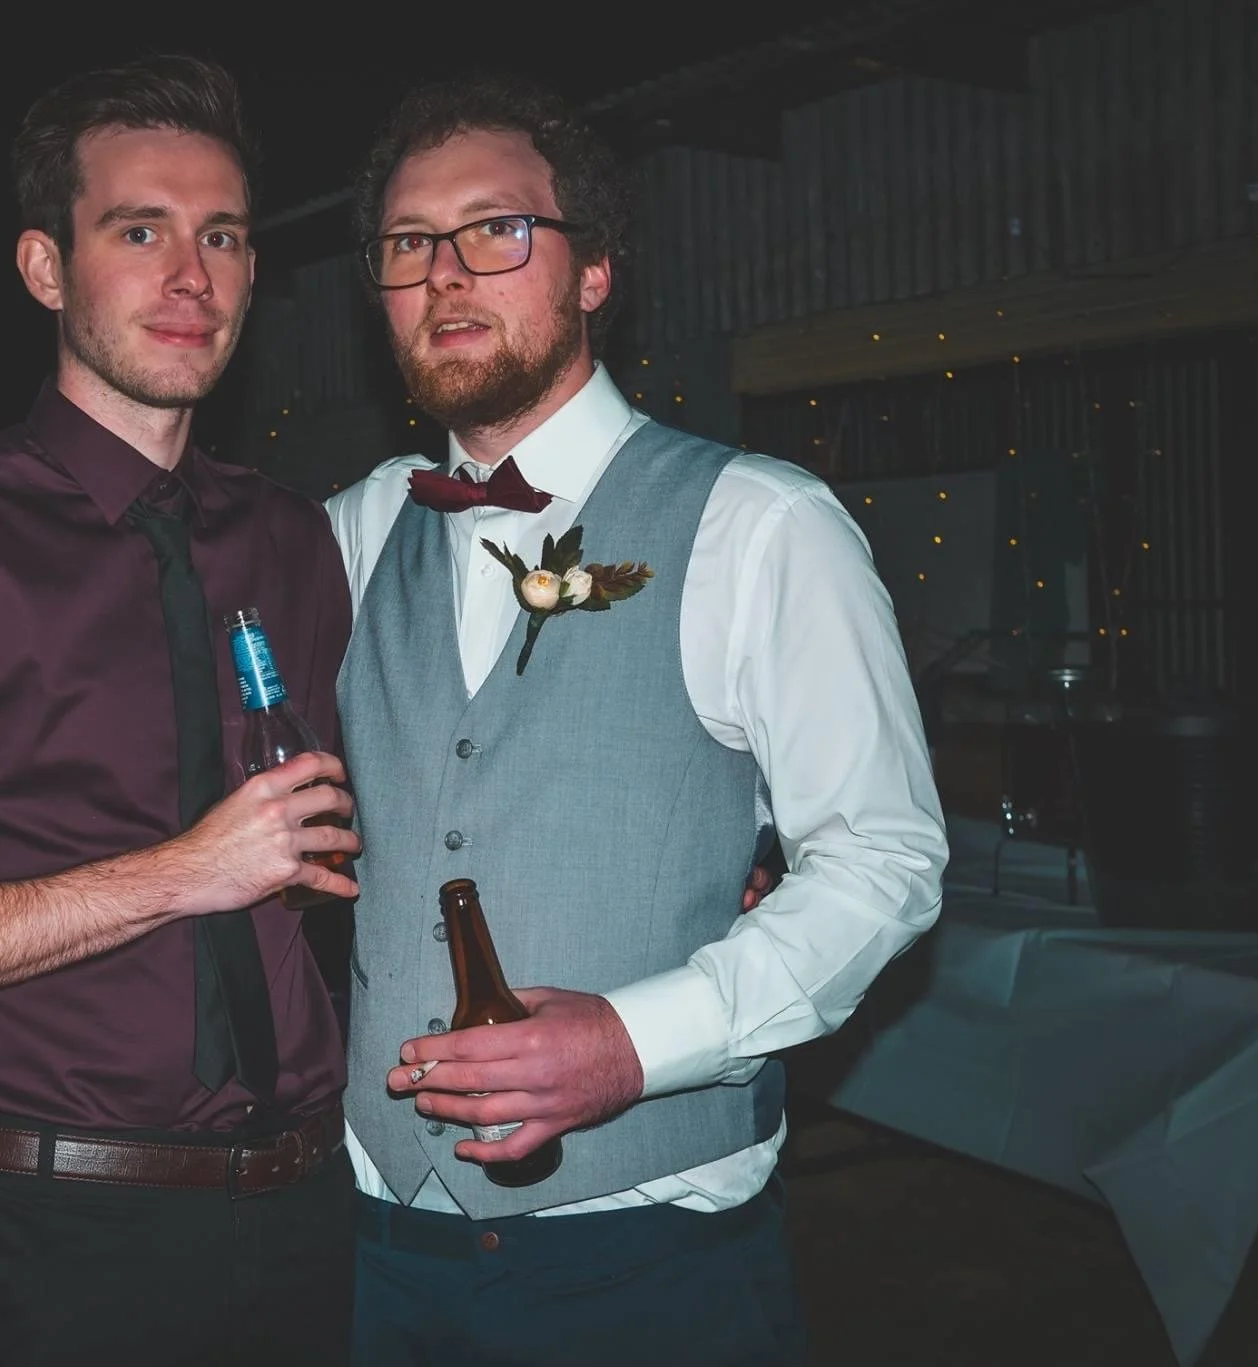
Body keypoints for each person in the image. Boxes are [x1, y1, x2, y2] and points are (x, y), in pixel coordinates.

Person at [325, 76, 949, 1364]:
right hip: (376, 1243)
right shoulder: (356, 524)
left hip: (646, 1260)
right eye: (406, 245)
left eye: (495, 230)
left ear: (594, 269)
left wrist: (634, 1040)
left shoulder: (761, 523)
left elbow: (885, 860)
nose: (445, 275)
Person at [0, 55, 361, 1366]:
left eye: (222, 237)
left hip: (318, 1213)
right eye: (138, 230)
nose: (190, 274)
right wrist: (178, 875)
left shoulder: (289, 536)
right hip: (63, 1237)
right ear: (46, 267)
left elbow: (327, 860)